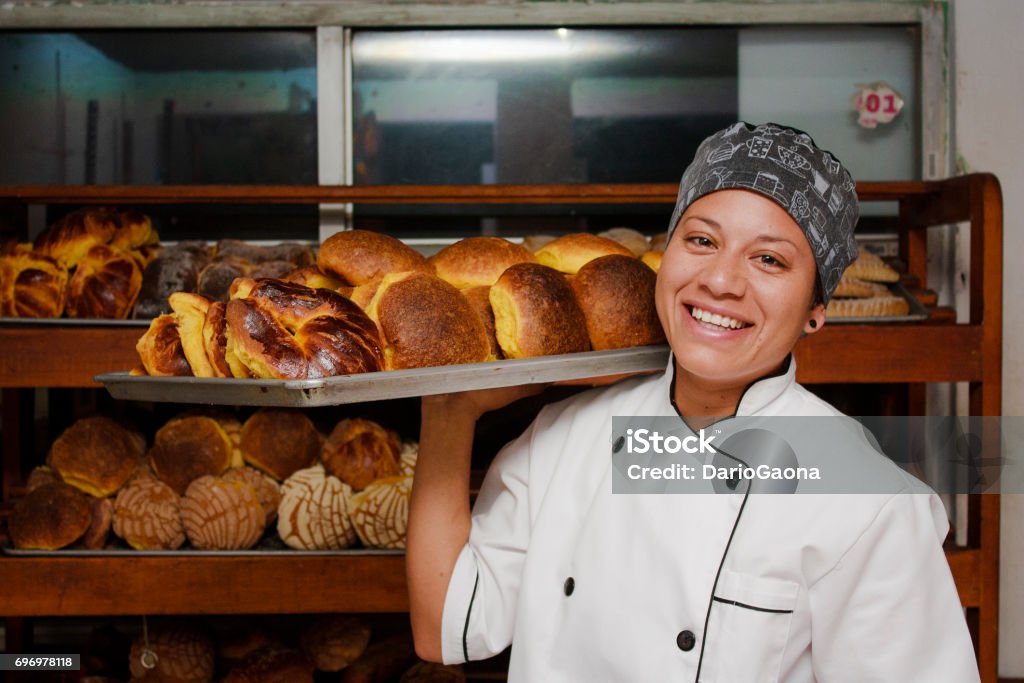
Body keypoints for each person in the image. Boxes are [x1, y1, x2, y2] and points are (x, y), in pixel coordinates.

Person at [406, 122, 979, 681]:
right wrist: (449, 410)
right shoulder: (564, 438)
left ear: (815, 311)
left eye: (770, 259)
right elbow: (447, 627)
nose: (722, 281)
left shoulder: (869, 503)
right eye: (702, 240)